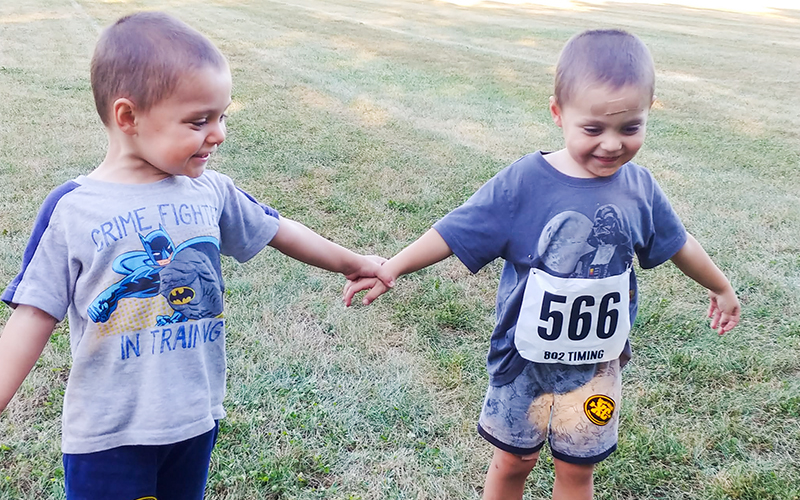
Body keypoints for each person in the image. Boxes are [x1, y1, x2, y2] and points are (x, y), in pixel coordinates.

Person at [0, 12, 388, 500]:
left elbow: (276, 229)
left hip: (194, 417)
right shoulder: (73, 210)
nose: (219, 133)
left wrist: (350, 261)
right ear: (129, 117)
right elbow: (32, 316)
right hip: (109, 434)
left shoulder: (208, 190)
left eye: (222, 116)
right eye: (198, 121)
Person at [344, 29, 740, 500]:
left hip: (597, 370)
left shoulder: (640, 189)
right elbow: (455, 230)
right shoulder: (523, 184)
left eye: (630, 127)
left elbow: (679, 243)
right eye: (593, 129)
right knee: (514, 460)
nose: (612, 144)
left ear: (650, 111)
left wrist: (721, 286)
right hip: (523, 362)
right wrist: (393, 267)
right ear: (558, 113)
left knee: (577, 471)